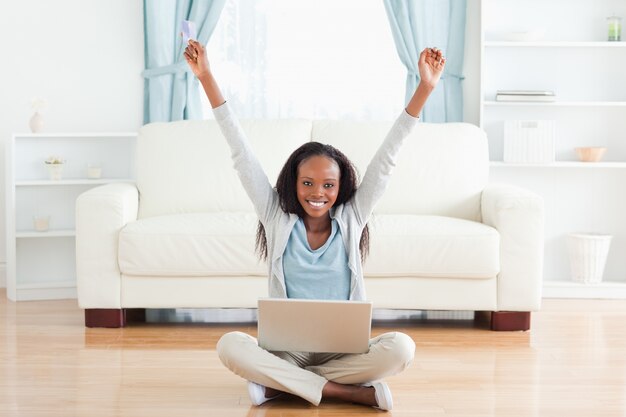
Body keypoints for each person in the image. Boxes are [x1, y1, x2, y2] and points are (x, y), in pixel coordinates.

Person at [184, 39, 445, 411]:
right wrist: (206, 76)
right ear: (294, 182)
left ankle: (283, 388)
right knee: (230, 345)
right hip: (289, 354)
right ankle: (346, 393)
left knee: (402, 348)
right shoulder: (276, 216)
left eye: (328, 185)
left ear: (341, 188)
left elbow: (387, 159)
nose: (317, 193)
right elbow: (240, 151)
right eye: (308, 183)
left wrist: (425, 88)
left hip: (343, 354)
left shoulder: (353, 218)